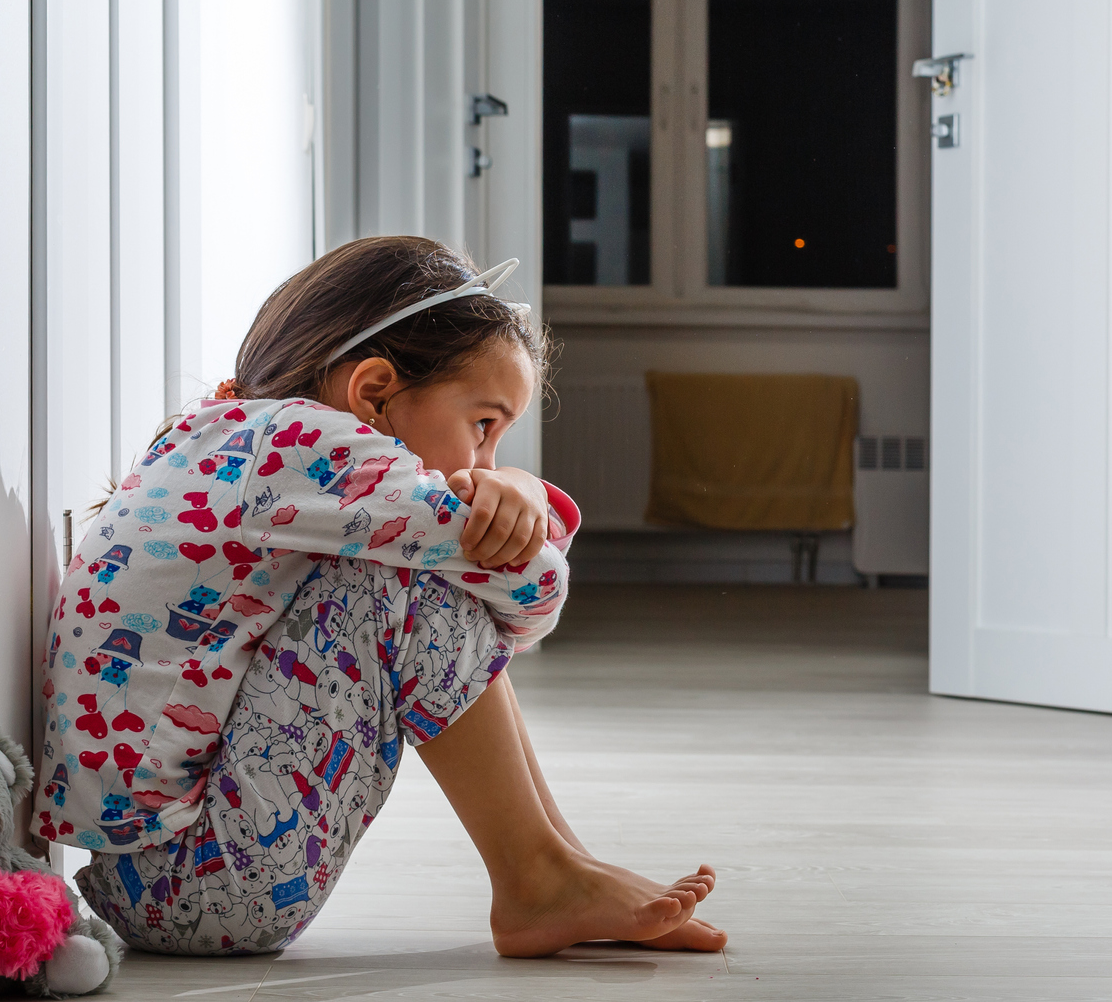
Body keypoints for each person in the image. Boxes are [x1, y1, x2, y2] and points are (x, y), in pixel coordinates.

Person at [39, 236, 724, 958]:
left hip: (156, 878)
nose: (486, 464)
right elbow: (532, 594)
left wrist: (510, 498)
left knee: (418, 572)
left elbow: (486, 639)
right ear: (373, 394)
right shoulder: (302, 442)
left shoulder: (228, 435)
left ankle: (558, 862)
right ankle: (538, 875)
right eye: (483, 427)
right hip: (197, 887)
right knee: (402, 578)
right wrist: (526, 504)